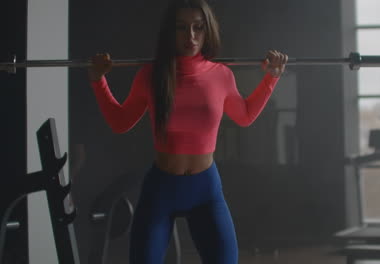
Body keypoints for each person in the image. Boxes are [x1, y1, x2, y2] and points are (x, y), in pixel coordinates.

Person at [88, 0, 288, 263]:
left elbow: (245, 116)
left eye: (198, 27)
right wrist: (97, 80)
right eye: (181, 28)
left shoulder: (221, 75)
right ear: (170, 32)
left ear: (208, 31)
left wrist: (271, 78)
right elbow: (120, 122)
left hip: (205, 189)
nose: (190, 36)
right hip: (161, 189)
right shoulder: (151, 75)